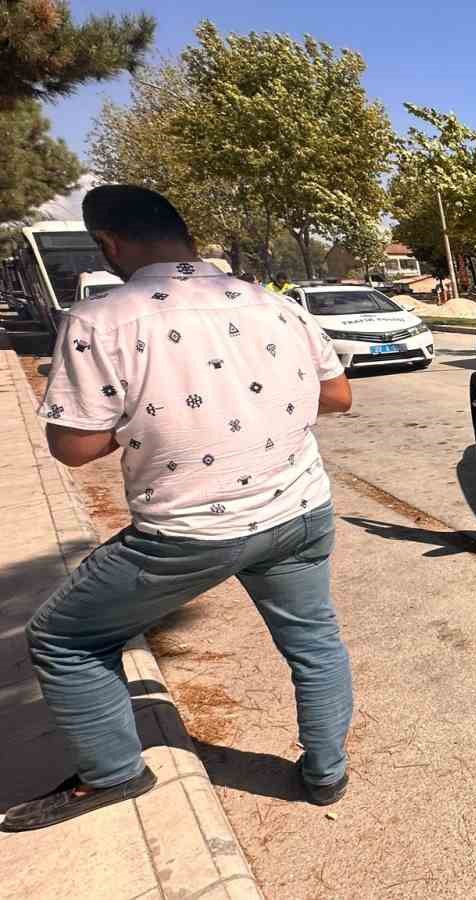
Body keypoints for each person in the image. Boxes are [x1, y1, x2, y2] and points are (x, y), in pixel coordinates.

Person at [1, 185, 356, 832]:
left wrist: (143, 413)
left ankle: (113, 772)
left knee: (64, 636)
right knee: (314, 641)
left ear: (108, 243)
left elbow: (74, 448)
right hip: (299, 509)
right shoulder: (274, 306)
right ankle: (327, 774)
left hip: (188, 533)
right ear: (185, 233)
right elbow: (338, 396)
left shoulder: (104, 320)